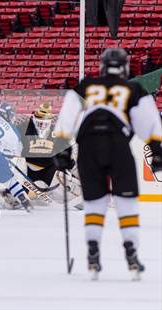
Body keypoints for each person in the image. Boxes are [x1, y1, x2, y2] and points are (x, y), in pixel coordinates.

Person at [53, 48, 162, 280]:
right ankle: (131, 253)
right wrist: (157, 151)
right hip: (117, 143)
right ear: (124, 66)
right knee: (126, 201)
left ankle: (93, 252)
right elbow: (149, 122)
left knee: (94, 201)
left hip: (88, 145)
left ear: (102, 65)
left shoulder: (87, 85)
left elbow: (67, 115)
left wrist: (62, 147)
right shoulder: (133, 88)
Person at [0, 103, 82, 209]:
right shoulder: (24, 127)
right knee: (23, 189)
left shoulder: (56, 131)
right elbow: (9, 134)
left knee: (65, 173)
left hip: (50, 166)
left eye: (45, 123)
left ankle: (80, 191)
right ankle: (10, 194)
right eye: (40, 123)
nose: (43, 126)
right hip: (30, 167)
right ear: (34, 119)